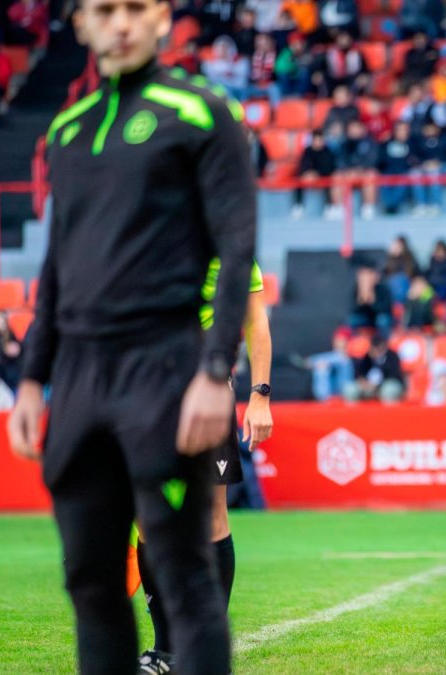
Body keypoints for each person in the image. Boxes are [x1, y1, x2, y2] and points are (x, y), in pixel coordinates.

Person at [7, 0, 255, 668]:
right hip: (81, 380)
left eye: (136, 8)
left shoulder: (204, 113)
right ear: (81, 23)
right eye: (105, 9)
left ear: (162, 19)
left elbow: (238, 252)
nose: (121, 22)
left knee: (184, 573)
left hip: (165, 369)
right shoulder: (66, 130)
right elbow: (58, 265)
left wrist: (213, 371)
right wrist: (32, 379)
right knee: (91, 580)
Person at [138, 258, 273, 673]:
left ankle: (208, 647)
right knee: (147, 516)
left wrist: (260, 396)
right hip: (145, 386)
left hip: (207, 386)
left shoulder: (228, 244)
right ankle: (166, 651)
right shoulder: (147, 233)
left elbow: (256, 324)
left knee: (212, 514)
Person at [410, 121, 446, 216]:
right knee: (415, 173)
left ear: (437, 128)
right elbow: (414, 157)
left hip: (445, 167)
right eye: (427, 129)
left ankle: (436, 204)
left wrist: (439, 162)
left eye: (432, 128)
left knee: (433, 172)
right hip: (424, 167)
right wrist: (423, 164)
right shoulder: (419, 141)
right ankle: (421, 205)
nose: (429, 131)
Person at [292, 130, 338, 219]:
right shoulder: (307, 151)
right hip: (310, 177)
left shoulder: (327, 152)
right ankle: (298, 206)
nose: (318, 142)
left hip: (323, 176)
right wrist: (308, 173)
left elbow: (330, 167)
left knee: (329, 182)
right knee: (299, 180)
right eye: (316, 140)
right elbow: (303, 166)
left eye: (320, 140)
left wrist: (318, 174)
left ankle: (329, 207)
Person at [348, 266, 394, 332]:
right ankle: (356, 340)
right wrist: (361, 299)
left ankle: (384, 340)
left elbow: (385, 308)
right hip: (367, 318)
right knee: (353, 319)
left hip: (380, 317)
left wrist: (372, 300)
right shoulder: (357, 289)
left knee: (382, 320)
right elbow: (354, 309)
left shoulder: (382, 289)